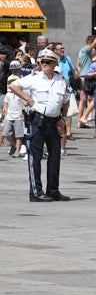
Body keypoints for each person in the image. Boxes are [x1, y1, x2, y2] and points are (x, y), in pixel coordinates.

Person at [9, 49, 71, 202]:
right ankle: (36, 192)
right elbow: (13, 86)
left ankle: (53, 190)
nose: (44, 64)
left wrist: (62, 118)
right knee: (35, 157)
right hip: (37, 121)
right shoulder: (34, 78)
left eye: (47, 62)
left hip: (54, 122)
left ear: (55, 63)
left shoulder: (60, 79)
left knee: (55, 157)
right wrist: (29, 101)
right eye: (42, 62)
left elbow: (66, 100)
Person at [77, 27, 96, 129]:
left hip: (83, 77)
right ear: (90, 42)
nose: (94, 49)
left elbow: (77, 64)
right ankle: (84, 117)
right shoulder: (86, 49)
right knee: (95, 98)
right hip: (88, 78)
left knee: (83, 100)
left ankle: (80, 121)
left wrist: (81, 73)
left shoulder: (81, 51)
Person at [3, 61, 25, 158]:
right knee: (6, 133)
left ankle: (17, 150)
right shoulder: (8, 93)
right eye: (12, 69)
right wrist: (5, 114)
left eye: (15, 69)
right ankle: (13, 145)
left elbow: (23, 102)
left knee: (19, 134)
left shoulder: (21, 80)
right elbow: (5, 105)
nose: (14, 71)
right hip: (10, 115)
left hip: (18, 116)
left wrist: (22, 111)